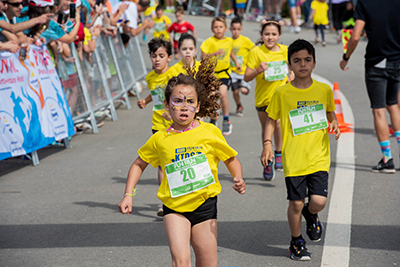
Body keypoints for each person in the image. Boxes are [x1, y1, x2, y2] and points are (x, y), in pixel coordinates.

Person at [118, 57, 246, 266]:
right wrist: (128, 195)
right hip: (174, 207)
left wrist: (238, 177)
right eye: (178, 101)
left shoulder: (210, 132)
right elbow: (138, 164)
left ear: (198, 106)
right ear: (167, 106)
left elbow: (230, 159)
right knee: (181, 262)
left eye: (190, 101)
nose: (184, 107)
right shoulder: (160, 138)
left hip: (205, 206)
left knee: (208, 263)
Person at [261, 39, 341, 261]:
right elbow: (270, 120)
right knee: (295, 202)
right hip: (294, 158)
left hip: (319, 156)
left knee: (318, 201)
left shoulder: (324, 90)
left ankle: (311, 213)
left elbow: (330, 114)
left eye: (307, 60)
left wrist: (332, 123)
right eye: (297, 61)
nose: (302, 64)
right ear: (290, 65)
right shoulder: (282, 93)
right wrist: (267, 144)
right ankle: (296, 242)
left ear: (314, 63)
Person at [339, 0, 400, 173]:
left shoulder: (365, 4)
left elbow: (356, 36)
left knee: (379, 109)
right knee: (393, 105)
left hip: (377, 61)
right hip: (397, 61)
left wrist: (346, 57)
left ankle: (387, 159)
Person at [244, 20, 290, 180]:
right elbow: (246, 76)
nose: (270, 37)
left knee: (277, 124)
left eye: (274, 34)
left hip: (280, 98)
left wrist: (291, 76)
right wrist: (258, 70)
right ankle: (267, 160)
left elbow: (293, 69)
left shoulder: (285, 50)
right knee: (266, 129)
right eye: (267, 34)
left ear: (279, 35)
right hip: (263, 98)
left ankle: (278, 152)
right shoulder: (256, 52)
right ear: (261, 35)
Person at [137, 37, 178, 216]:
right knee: (162, 164)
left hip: (176, 123)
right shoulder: (150, 77)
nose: (157, 59)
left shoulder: (174, 75)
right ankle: (164, 202)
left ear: (169, 57)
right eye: (154, 56)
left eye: (161, 56)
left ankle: (180, 195)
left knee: (176, 161)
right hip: (158, 124)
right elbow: (155, 94)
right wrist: (145, 101)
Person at [200, 16, 241, 136]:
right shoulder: (209, 42)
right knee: (212, 97)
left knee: (223, 94)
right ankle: (213, 119)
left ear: (226, 28)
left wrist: (237, 63)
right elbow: (203, 57)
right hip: (212, 74)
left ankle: (226, 119)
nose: (218, 29)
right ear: (212, 29)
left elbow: (230, 52)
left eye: (221, 27)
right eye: (216, 27)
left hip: (224, 73)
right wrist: (214, 54)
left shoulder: (229, 41)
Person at [229, 17, 255, 117]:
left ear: (241, 29)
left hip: (244, 71)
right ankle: (239, 105)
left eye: (238, 29)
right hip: (233, 71)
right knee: (235, 91)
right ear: (230, 29)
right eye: (234, 29)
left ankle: (246, 85)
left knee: (243, 91)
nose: (236, 31)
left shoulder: (245, 40)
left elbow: (255, 50)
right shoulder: (228, 41)